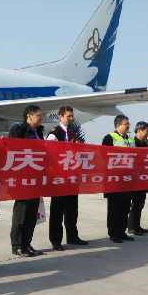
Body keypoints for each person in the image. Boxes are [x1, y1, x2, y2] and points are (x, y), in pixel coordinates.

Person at [46, 106, 88, 250]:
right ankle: (56, 240)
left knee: (72, 210)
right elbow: (50, 155)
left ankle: (72, 236)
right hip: (59, 178)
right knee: (57, 211)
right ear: (60, 117)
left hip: (72, 177)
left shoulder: (74, 133)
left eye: (72, 116)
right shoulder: (54, 134)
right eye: (68, 116)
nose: (71, 118)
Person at [9, 105, 45, 257]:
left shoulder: (39, 132)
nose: (41, 118)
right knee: (21, 214)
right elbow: (12, 150)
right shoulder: (18, 130)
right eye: (39, 116)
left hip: (36, 179)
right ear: (29, 116)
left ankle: (26, 244)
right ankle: (17, 245)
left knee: (32, 215)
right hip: (22, 179)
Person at [102, 115, 135, 243]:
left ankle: (122, 232)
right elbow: (104, 156)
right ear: (118, 125)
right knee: (114, 209)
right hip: (114, 180)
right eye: (126, 124)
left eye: (128, 124)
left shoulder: (131, 140)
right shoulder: (109, 138)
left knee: (125, 207)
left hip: (127, 180)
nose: (128, 126)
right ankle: (113, 233)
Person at [127, 121, 148, 235]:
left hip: (143, 178)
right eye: (147, 130)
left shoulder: (146, 144)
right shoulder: (132, 142)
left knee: (140, 202)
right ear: (140, 130)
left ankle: (137, 226)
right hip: (134, 178)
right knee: (135, 203)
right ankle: (131, 227)